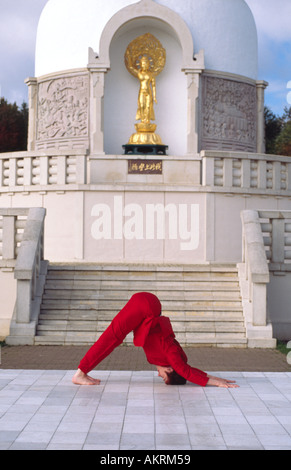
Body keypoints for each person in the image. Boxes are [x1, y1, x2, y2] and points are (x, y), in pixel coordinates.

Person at [72, 292, 239, 389]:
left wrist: (212, 377)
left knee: (115, 337)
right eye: (164, 377)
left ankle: (83, 372)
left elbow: (187, 370)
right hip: (146, 306)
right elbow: (185, 371)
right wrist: (215, 382)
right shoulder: (171, 355)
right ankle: (80, 373)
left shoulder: (169, 358)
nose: (159, 375)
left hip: (149, 307)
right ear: (170, 370)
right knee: (112, 336)